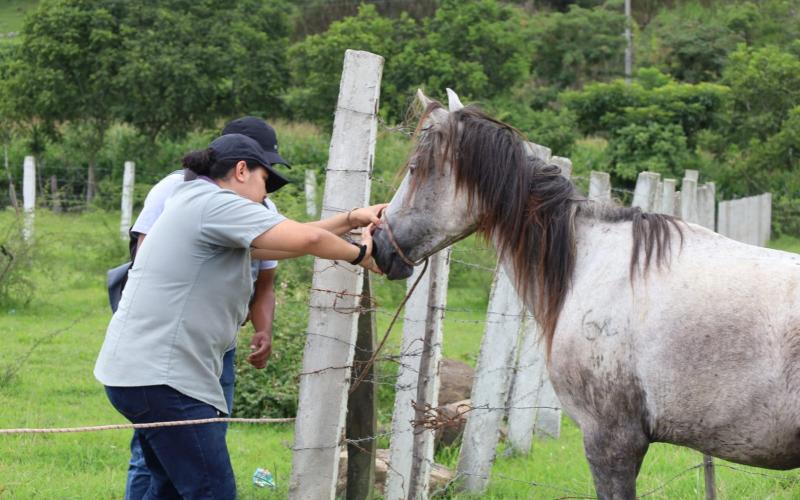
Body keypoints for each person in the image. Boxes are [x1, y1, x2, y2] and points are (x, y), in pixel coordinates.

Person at [95, 132, 383, 499]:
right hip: (164, 378)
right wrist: (363, 255)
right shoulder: (215, 204)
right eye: (266, 181)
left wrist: (351, 219)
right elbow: (308, 242)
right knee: (212, 490)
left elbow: (295, 237)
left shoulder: (197, 202)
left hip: (141, 372)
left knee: (168, 489)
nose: (267, 195)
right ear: (242, 170)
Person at [122, 118, 284, 499]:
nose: (268, 182)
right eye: (265, 169)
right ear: (242, 166)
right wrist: (357, 250)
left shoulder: (262, 205)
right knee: (157, 456)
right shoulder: (177, 190)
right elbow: (148, 263)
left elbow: (266, 281)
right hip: (168, 347)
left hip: (217, 346)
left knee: (205, 439)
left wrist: (264, 329)